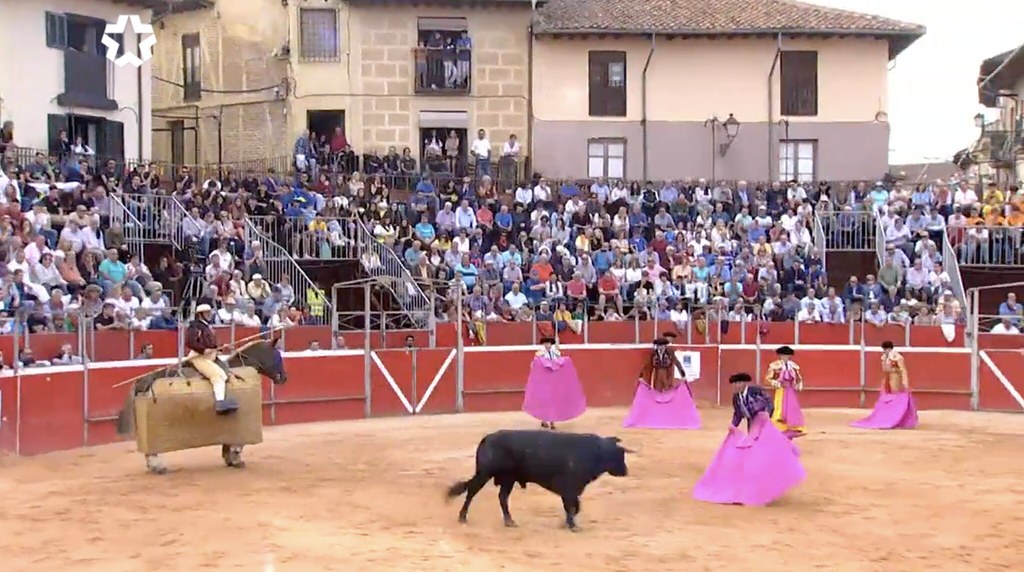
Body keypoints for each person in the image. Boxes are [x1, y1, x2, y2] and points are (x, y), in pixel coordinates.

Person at [692, 373, 805, 506]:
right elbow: (738, 413)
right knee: (756, 454)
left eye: (736, 384)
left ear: (743, 383)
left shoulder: (754, 391)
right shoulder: (736, 397)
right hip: (753, 425)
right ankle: (759, 487)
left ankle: (767, 484)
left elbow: (768, 402)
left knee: (764, 452)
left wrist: (766, 415)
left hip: (764, 425)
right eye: (733, 385)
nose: (734, 387)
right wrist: (733, 425)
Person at [623, 332, 701, 429]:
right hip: (657, 374)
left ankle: (668, 414)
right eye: (659, 346)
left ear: (665, 346)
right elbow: (647, 364)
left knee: (667, 392)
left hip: (667, 374)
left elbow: (676, 362)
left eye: (662, 346)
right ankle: (659, 414)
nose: (660, 348)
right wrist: (641, 375)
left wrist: (683, 374)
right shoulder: (653, 353)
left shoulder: (669, 351)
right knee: (657, 392)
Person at [521, 337, 586, 430]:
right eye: (546, 343)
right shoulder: (539, 354)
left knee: (553, 400)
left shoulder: (556, 353)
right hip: (543, 381)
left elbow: (560, 363)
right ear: (543, 344)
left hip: (554, 381)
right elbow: (534, 365)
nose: (547, 345)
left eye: (549, 343)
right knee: (545, 400)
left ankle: (552, 421)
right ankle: (544, 420)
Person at [851, 341, 919, 429]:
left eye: (886, 349)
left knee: (895, 397)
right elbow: (885, 369)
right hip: (887, 378)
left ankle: (897, 419)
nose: (885, 351)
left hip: (896, 377)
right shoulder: (883, 357)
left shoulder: (897, 357)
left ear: (890, 348)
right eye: (884, 349)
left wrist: (905, 382)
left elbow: (903, 370)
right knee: (886, 397)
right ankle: (888, 416)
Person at [185, 304, 238, 414]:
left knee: (223, 374)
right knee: (217, 375)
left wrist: (222, 347)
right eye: (207, 313)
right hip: (198, 357)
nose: (209, 314)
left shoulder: (206, 326)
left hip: (208, 356)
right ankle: (219, 403)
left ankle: (221, 400)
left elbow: (212, 344)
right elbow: (190, 342)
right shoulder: (195, 326)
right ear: (200, 315)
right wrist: (203, 350)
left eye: (209, 312)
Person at [764, 345, 806, 438]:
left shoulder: (793, 366)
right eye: (783, 355)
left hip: (790, 390)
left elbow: (799, 378)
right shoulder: (775, 366)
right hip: (781, 390)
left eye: (787, 355)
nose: (785, 357)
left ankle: (793, 427)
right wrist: (776, 383)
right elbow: (767, 379)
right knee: (779, 408)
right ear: (780, 355)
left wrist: (798, 384)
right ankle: (778, 428)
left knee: (792, 408)